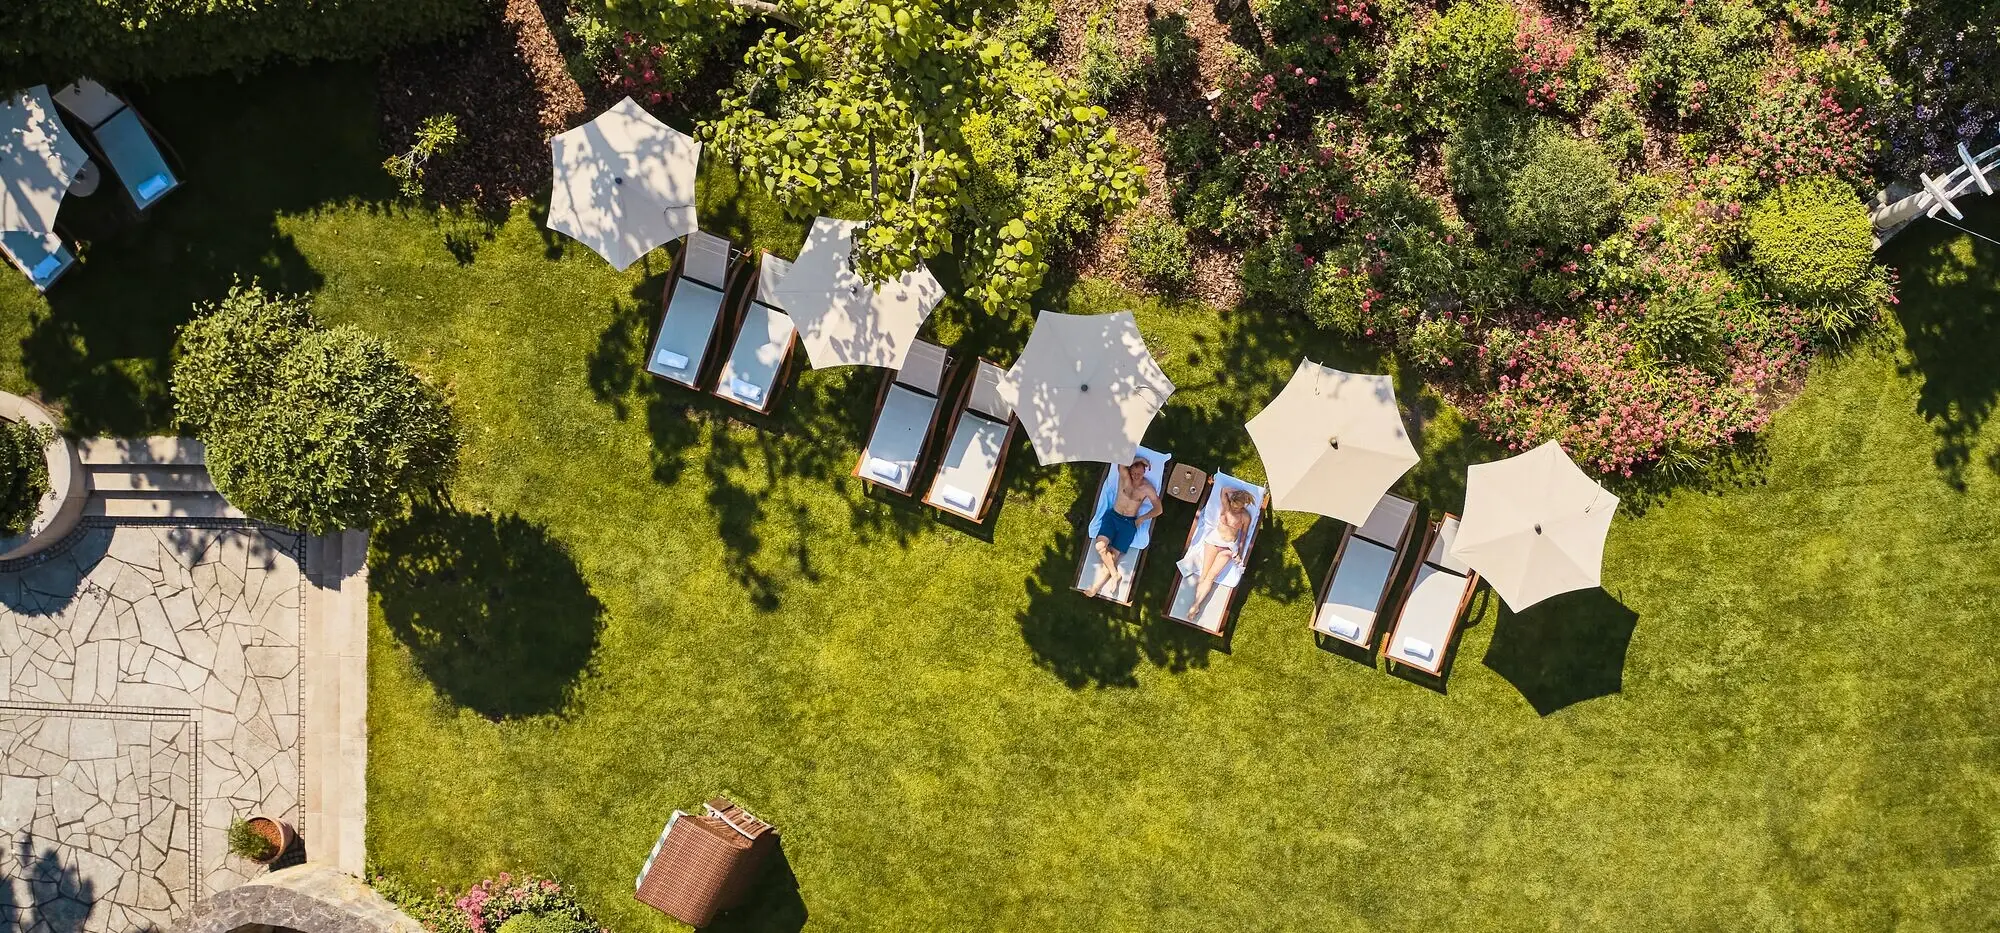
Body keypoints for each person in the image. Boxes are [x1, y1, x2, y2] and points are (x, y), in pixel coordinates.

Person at [1081, 456, 1162, 599]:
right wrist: (1140, 459)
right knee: (1100, 546)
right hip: (1113, 517)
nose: (1136, 476)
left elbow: (1158, 509)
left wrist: (1142, 518)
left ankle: (1095, 588)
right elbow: (1122, 460)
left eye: (1139, 473)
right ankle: (1115, 574)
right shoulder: (1124, 476)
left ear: (1145, 472)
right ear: (1130, 470)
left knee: (1113, 555)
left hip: (1129, 524)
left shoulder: (1147, 488)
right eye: (1134, 472)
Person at [1190, 488, 1255, 616]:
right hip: (1214, 540)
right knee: (1204, 574)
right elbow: (1223, 489)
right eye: (1234, 506)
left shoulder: (1245, 516)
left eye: (1239, 507)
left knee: (1211, 576)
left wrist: (1239, 553)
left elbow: (1243, 536)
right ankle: (1195, 604)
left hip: (1229, 547)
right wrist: (1240, 492)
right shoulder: (1226, 505)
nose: (1235, 509)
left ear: (1244, 506)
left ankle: (1196, 605)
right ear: (1231, 501)